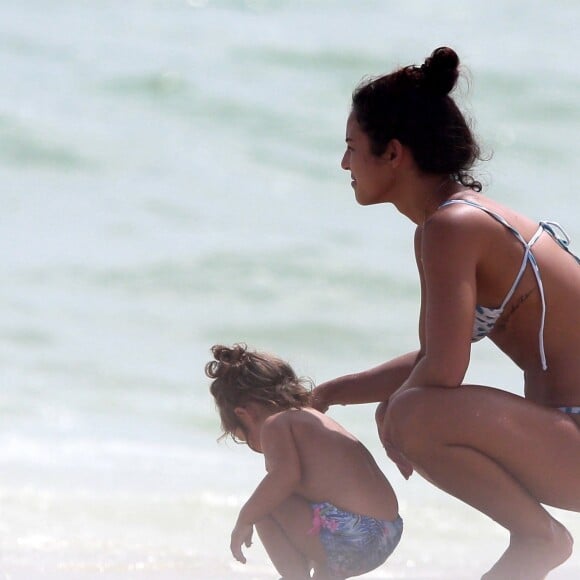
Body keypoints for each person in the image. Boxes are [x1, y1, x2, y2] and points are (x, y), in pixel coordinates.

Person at [311, 47, 580, 580]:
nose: (344, 163)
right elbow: (437, 355)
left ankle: (539, 538)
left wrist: (394, 415)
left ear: (393, 153)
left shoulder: (452, 227)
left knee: (413, 414)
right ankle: (536, 541)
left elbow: (443, 374)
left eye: (351, 147)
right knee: (411, 407)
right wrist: (332, 393)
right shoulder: (457, 222)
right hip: (566, 434)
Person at [206, 343, 403, 580]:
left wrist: (245, 518)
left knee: (268, 506)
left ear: (244, 414)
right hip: (386, 531)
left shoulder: (276, 424)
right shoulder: (310, 419)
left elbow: (284, 478)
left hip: (356, 536)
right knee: (300, 504)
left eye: (243, 438)